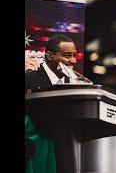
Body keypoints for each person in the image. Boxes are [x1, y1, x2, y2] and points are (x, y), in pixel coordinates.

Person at [25, 34, 79, 173]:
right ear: (49, 55)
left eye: (74, 55)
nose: (73, 61)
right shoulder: (30, 77)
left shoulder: (75, 83)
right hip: (34, 153)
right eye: (67, 55)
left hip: (63, 152)